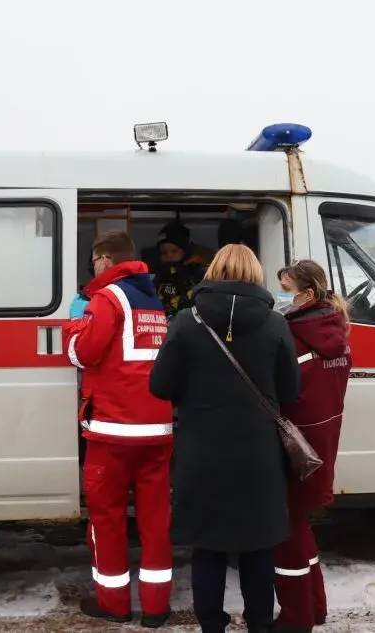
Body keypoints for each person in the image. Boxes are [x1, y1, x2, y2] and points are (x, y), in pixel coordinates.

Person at [149, 244, 301, 633]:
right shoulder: (275, 323)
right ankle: (260, 625)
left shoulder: (186, 321)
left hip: (202, 454)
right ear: (256, 275)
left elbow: (160, 386)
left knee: (208, 549)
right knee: (258, 548)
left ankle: (212, 626)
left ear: (213, 272)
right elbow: (290, 390)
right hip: (259, 456)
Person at [62, 231, 174, 627]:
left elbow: (83, 353)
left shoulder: (108, 299)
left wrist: (75, 324)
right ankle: (157, 608)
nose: (93, 269)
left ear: (106, 261)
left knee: (108, 520)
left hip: (114, 431)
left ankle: (115, 604)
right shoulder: (152, 301)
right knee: (155, 521)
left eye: (94, 263)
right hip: (156, 431)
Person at [271, 260, 352, 633]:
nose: (281, 296)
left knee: (287, 532)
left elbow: (282, 390)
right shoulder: (334, 328)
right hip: (321, 442)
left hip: (295, 445)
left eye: (286, 288)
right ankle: (315, 607)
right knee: (300, 524)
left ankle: (296, 618)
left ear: (307, 292)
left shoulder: (294, 333)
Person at [154, 228, 206, 317]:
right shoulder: (159, 276)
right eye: (164, 252)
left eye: (174, 251)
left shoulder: (198, 274)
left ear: (184, 251)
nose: (169, 255)